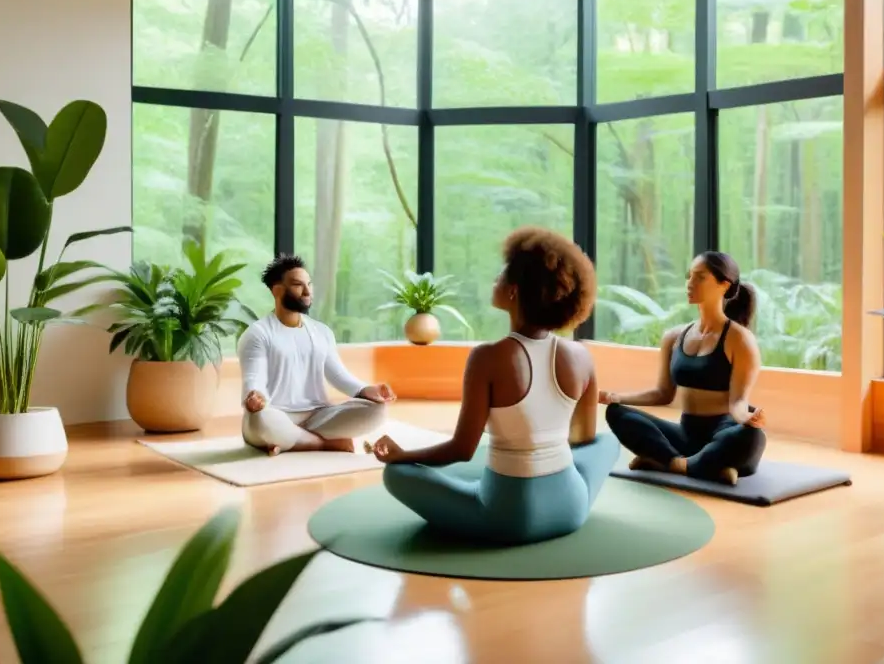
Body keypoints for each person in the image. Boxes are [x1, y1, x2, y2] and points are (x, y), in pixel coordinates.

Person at [370, 227, 620, 545]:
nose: (494, 282)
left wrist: (402, 454)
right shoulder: (580, 355)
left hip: (508, 517)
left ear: (514, 292)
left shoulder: (487, 357)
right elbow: (583, 438)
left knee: (396, 475)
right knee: (607, 443)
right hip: (571, 506)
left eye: (500, 276)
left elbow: (461, 450)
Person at [601, 251, 766, 486]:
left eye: (700, 277)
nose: (690, 283)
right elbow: (663, 393)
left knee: (751, 436)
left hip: (724, 431)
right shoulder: (674, 337)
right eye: (689, 276)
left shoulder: (740, 340)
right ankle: (703, 466)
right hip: (685, 434)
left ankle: (666, 461)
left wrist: (748, 418)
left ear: (724, 285)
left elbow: (738, 402)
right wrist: (616, 397)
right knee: (616, 413)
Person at [238, 254, 395, 456]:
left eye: (309, 284)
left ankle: (293, 440)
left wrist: (367, 390)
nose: (307, 291)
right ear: (277, 290)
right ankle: (322, 444)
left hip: (318, 416)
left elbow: (338, 376)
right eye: (297, 285)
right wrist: (254, 396)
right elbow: (254, 379)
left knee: (377, 410)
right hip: (275, 414)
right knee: (261, 420)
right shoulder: (258, 334)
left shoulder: (322, 332)